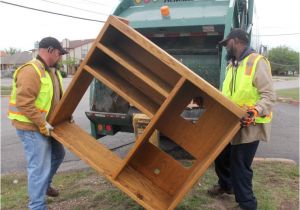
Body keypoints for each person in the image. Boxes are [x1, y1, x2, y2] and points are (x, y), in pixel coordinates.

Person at [207, 29, 276, 210]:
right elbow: (228, 95)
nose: (225, 47)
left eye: (226, 43)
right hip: (231, 122)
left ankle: (247, 204)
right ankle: (226, 185)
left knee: (239, 165)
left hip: (250, 124)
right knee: (221, 156)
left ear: (236, 41)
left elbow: (269, 96)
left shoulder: (257, 62)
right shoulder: (232, 65)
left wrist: (255, 111)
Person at [8, 37, 68, 210]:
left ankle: (45, 185)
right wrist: (42, 124)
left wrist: (65, 115)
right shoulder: (31, 71)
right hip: (30, 127)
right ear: (50, 50)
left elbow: (55, 99)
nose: (60, 57)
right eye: (59, 53)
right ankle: (37, 206)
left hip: (45, 125)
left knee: (58, 154)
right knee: (38, 167)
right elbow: (24, 102)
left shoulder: (52, 71)